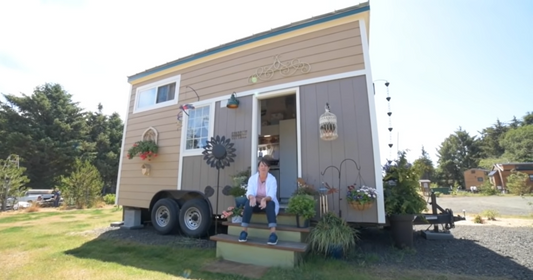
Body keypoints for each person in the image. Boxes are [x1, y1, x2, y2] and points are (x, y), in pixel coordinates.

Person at [239, 158, 279, 245]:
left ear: (268, 168)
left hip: (267, 204)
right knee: (248, 203)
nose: (263, 167)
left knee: (271, 204)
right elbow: (249, 191)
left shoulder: (272, 179)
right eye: (261, 165)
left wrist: (264, 199)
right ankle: (244, 232)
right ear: (258, 168)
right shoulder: (252, 179)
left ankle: (273, 234)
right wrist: (251, 197)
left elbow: (271, 194)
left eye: (265, 166)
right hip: (256, 204)